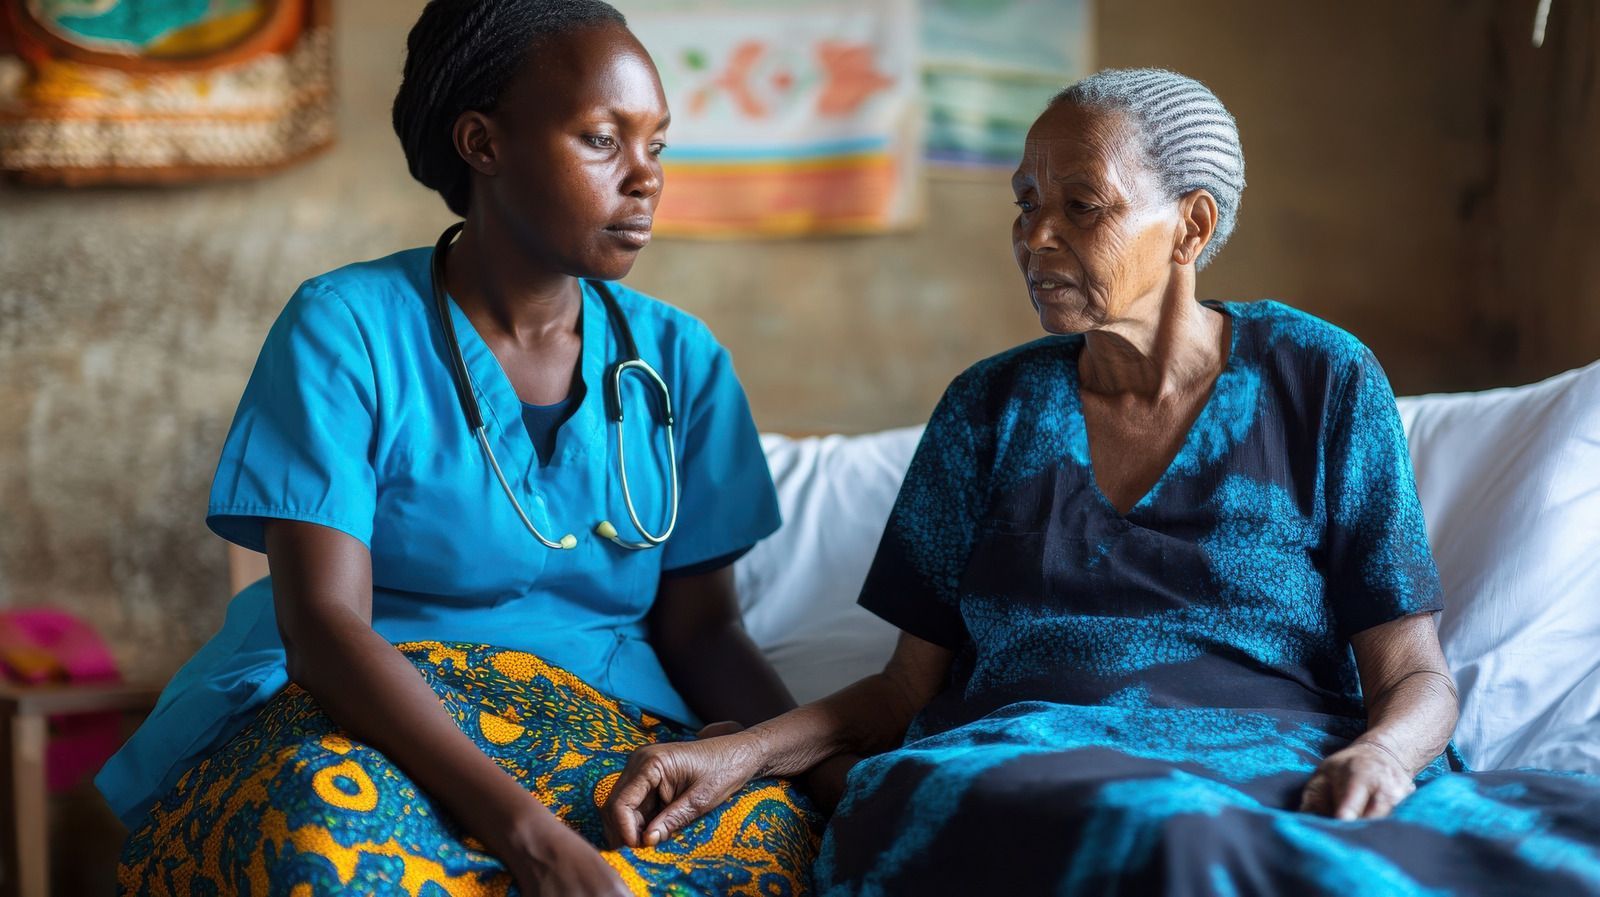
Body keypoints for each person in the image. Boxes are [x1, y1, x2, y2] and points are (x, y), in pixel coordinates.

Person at [601, 68, 1600, 896]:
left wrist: (1383, 757)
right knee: (1154, 837)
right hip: (1023, 761)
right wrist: (742, 753)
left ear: (1192, 226)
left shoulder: (1319, 376)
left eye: (1083, 208)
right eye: (1025, 207)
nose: (1035, 240)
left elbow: (1413, 676)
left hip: (1277, 761)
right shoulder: (986, 408)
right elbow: (903, 691)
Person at [96, 2, 823, 893]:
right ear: (482, 143)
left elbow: (705, 632)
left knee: (780, 843)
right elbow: (324, 628)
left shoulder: (680, 361)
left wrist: (818, 774)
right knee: (326, 838)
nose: (645, 179)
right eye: (603, 140)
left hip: (609, 730)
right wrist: (531, 836)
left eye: (656, 146)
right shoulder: (345, 329)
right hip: (372, 719)